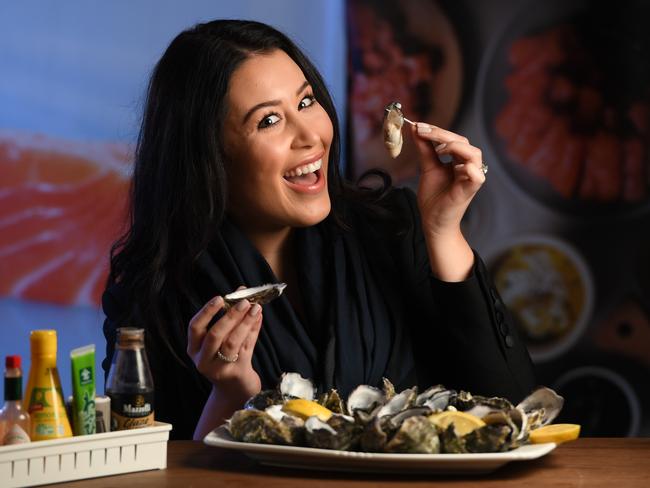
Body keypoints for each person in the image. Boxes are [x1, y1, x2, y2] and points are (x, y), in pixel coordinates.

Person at [102, 19, 536, 441]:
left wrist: (442, 231)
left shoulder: (393, 230)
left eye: (306, 102)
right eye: (269, 121)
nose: (311, 134)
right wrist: (231, 393)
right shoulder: (150, 296)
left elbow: (514, 412)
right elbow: (153, 473)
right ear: (208, 157)